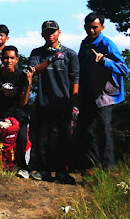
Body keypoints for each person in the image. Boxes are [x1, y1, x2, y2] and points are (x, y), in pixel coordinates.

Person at [77, 12, 128, 174]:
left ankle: (108, 166)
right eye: (88, 27)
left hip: (104, 96)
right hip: (88, 94)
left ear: (102, 27)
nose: (91, 31)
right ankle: (93, 164)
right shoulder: (85, 44)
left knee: (104, 130)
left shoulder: (107, 45)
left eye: (95, 28)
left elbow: (123, 69)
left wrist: (106, 62)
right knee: (88, 130)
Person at [28, 20, 79, 184]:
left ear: (59, 32)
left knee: (65, 138)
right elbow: (33, 71)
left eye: (53, 31)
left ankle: (63, 171)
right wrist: (50, 59)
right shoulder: (37, 53)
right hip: (43, 102)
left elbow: (75, 79)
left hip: (63, 103)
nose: (51, 35)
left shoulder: (70, 54)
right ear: (42, 34)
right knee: (43, 138)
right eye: (47, 32)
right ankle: (44, 170)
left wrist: (74, 102)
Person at [0, 45, 34, 178]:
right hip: (0, 113)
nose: (8, 61)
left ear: (17, 60)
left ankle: (23, 167)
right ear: (1, 59)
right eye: (6, 58)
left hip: (18, 113)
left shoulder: (21, 76)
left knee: (22, 137)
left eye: (12, 58)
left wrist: (29, 84)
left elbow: (24, 102)